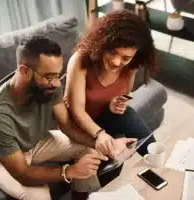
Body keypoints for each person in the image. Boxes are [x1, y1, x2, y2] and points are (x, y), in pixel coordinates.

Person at [0, 35, 114, 200]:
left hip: (34, 142)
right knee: (40, 196)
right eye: (49, 76)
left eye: (58, 75)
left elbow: (66, 125)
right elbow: (22, 173)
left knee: (88, 150)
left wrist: (103, 144)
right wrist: (70, 171)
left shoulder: (49, 86)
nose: (56, 83)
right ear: (24, 71)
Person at [64, 10, 158, 185]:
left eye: (125, 57)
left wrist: (115, 103)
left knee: (127, 114)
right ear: (102, 43)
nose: (116, 62)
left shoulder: (131, 66)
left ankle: (158, 163)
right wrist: (100, 134)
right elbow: (75, 109)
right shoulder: (80, 60)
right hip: (79, 126)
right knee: (103, 164)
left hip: (105, 119)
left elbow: (124, 95)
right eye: (113, 52)